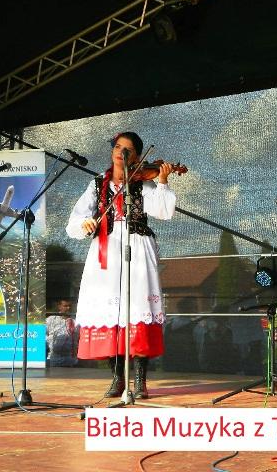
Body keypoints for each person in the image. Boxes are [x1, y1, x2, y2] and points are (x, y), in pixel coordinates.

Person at [66, 132, 176, 399]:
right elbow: (74, 222)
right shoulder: (96, 184)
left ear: (136, 157)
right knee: (110, 312)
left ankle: (140, 380)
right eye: (117, 147)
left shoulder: (143, 183)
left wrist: (162, 180)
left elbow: (163, 211)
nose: (120, 153)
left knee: (137, 309)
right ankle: (117, 378)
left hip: (137, 248)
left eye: (127, 150)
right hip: (106, 251)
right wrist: (86, 223)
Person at [45, 299, 79, 367]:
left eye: (70, 306)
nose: (68, 308)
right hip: (54, 360)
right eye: (65, 306)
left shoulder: (75, 321)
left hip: (70, 361)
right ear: (59, 307)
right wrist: (50, 341)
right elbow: (42, 334)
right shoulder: (51, 319)